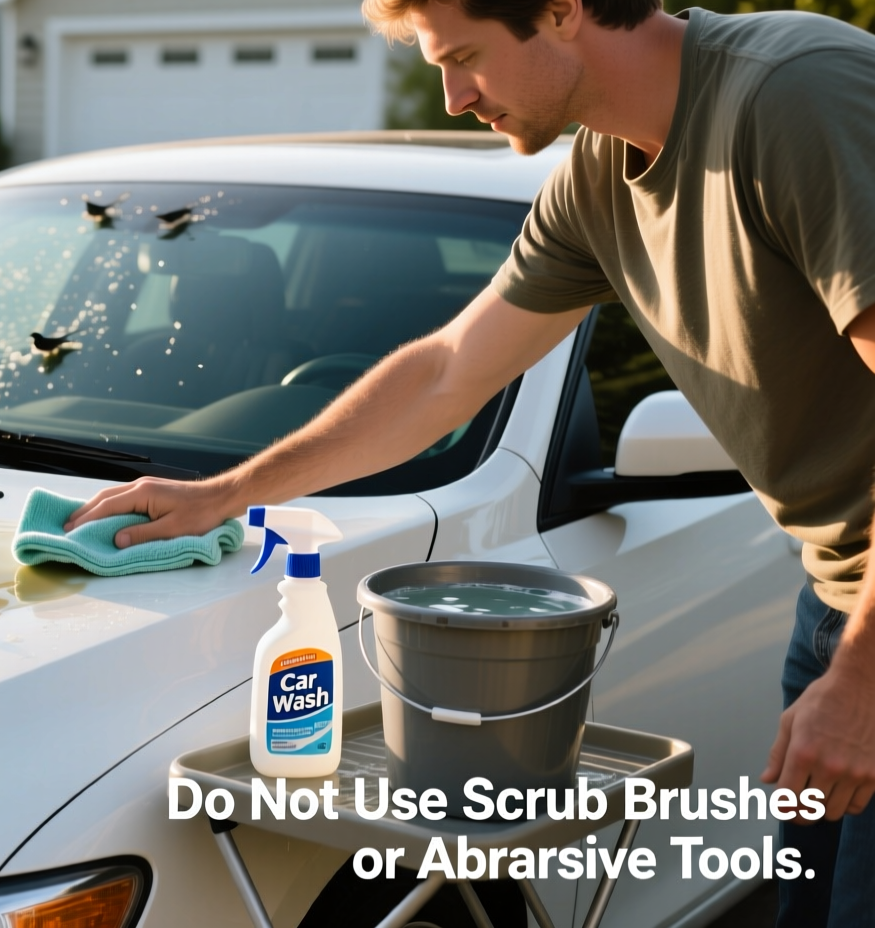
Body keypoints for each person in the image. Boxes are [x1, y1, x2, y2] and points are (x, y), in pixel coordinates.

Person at [63, 0, 875, 923]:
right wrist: (227, 492)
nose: (453, 97)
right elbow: (448, 373)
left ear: (563, 11)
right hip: (841, 604)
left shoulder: (793, 93)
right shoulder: (600, 179)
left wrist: (863, 681)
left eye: (465, 58)